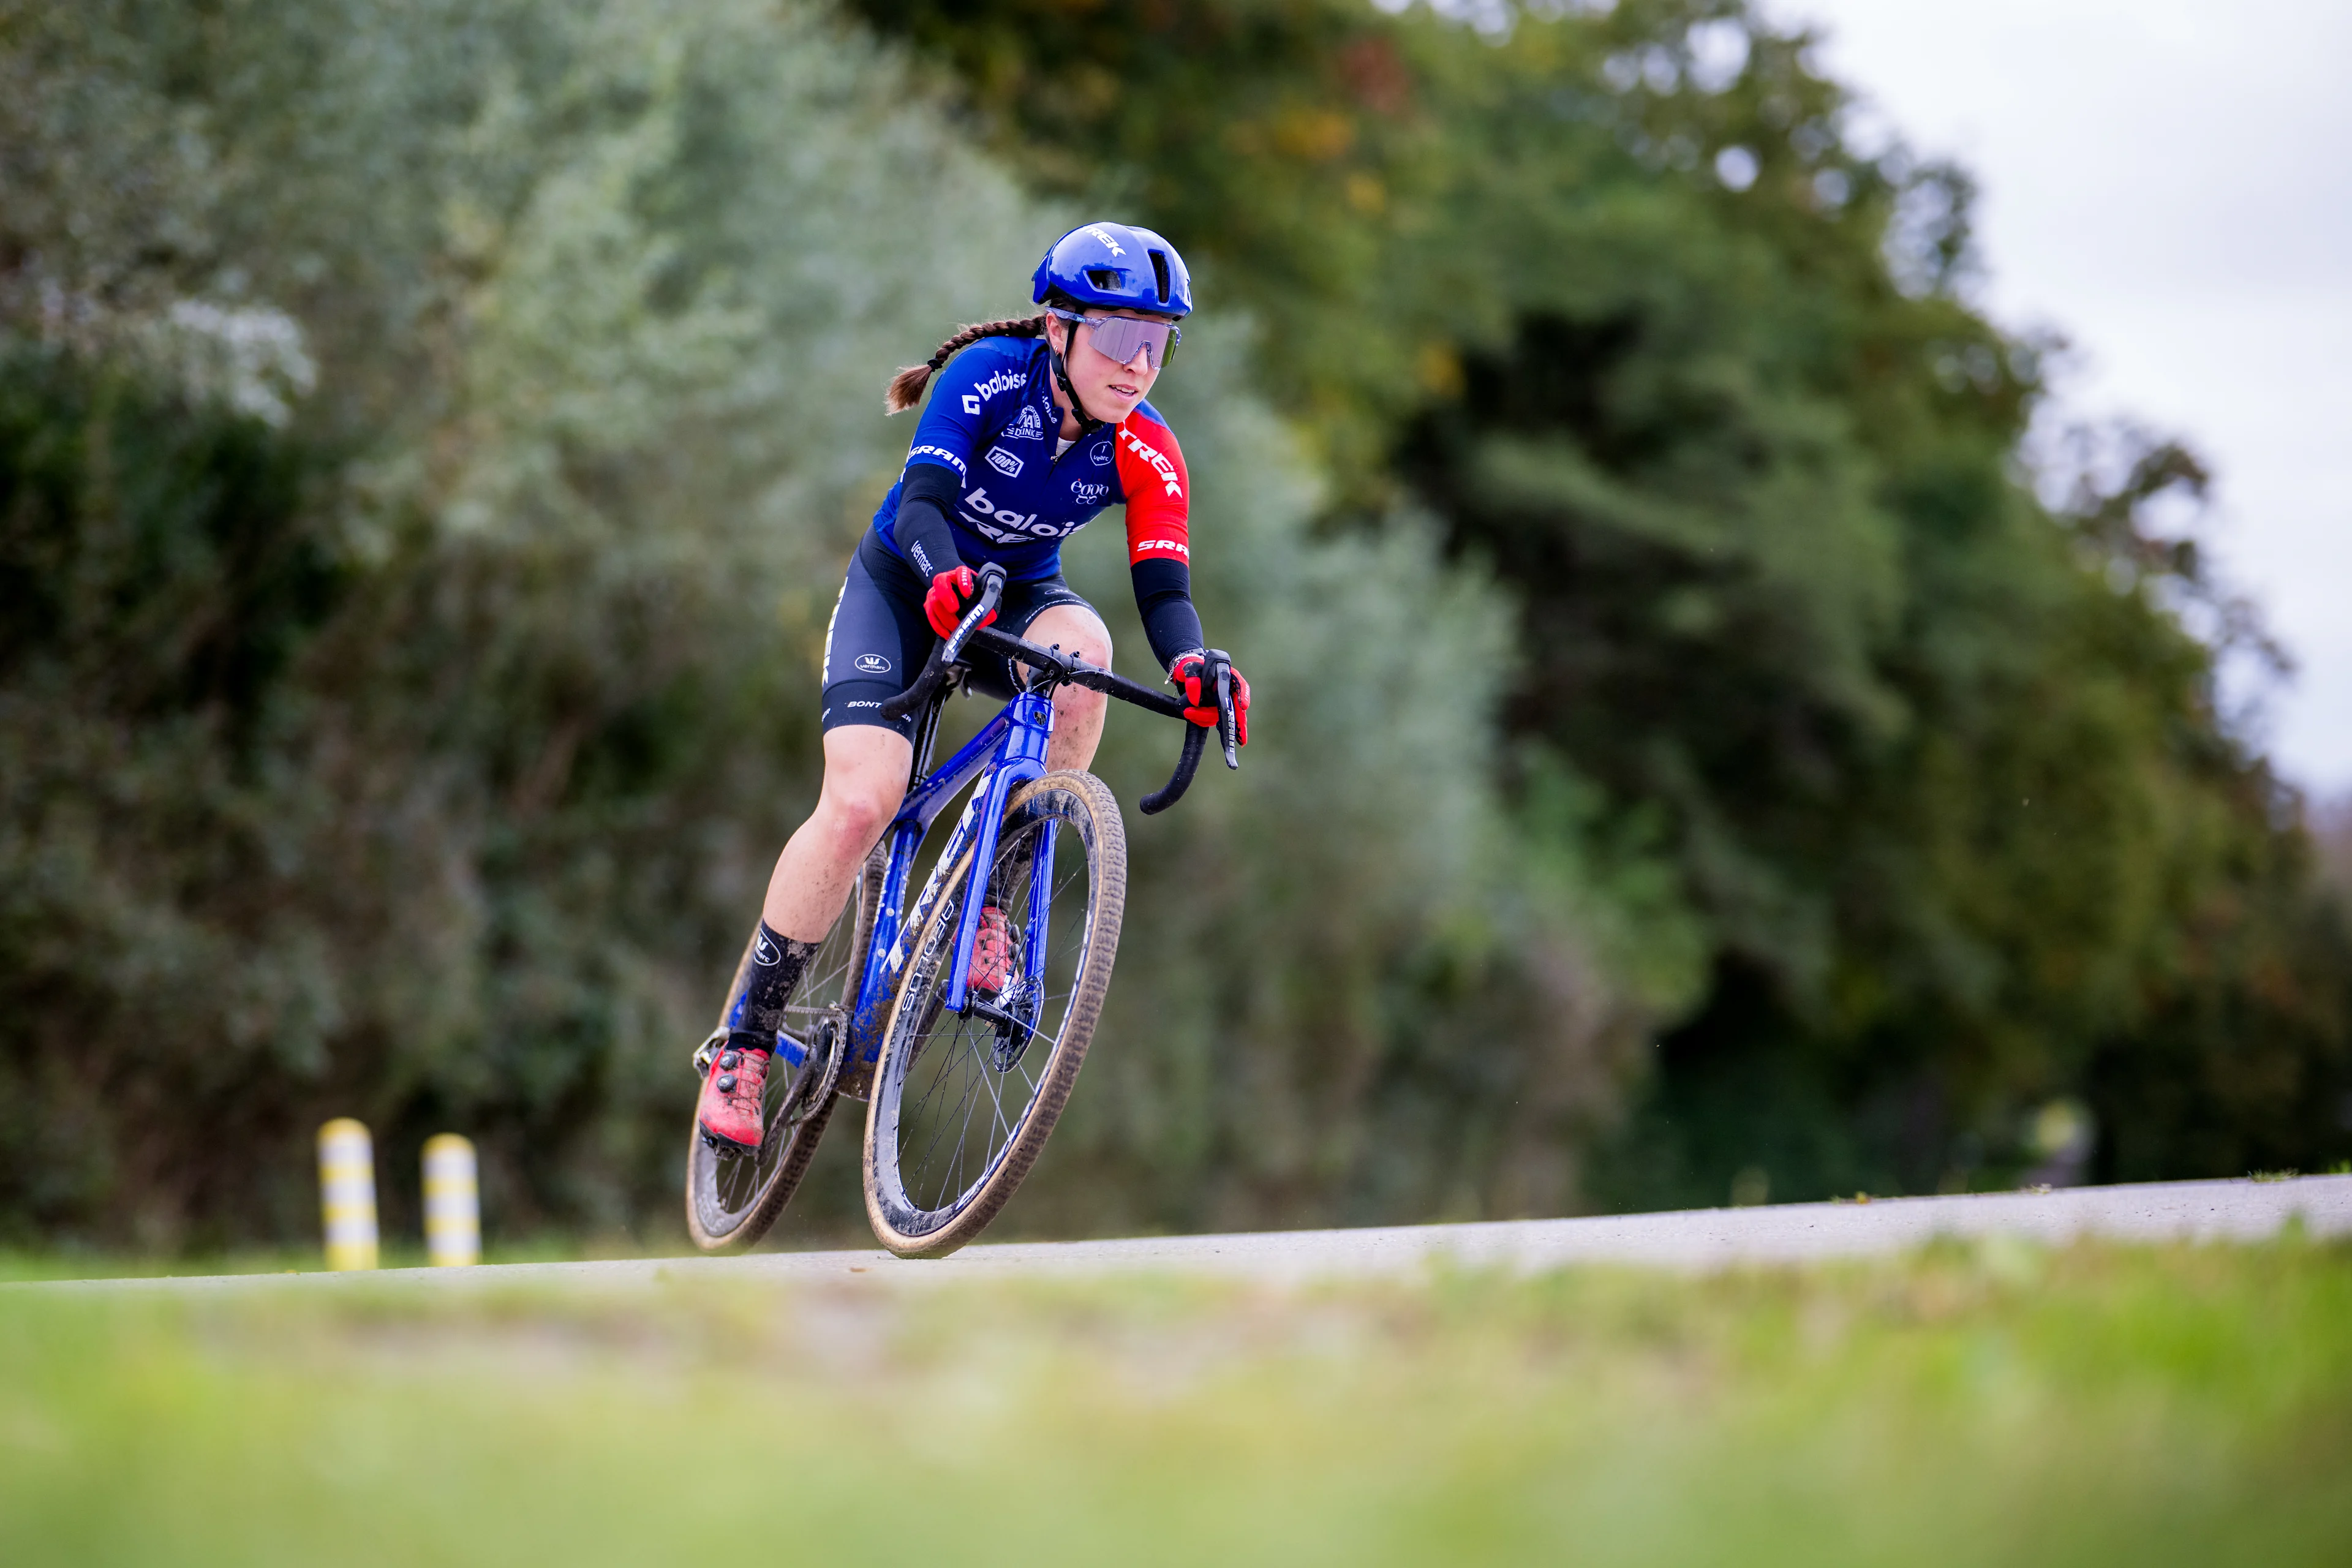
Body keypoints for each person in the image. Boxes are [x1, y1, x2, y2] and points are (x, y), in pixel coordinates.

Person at [696, 222, 1253, 1153]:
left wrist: (1193, 663)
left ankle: (993, 898)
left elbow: (1165, 589)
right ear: (1060, 329)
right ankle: (746, 1042)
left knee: (1086, 654)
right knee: (860, 803)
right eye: (1119, 339)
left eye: (1158, 344)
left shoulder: (1148, 448)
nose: (1138, 366)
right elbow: (918, 504)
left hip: (1015, 597)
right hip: (908, 585)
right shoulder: (988, 376)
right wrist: (944, 575)